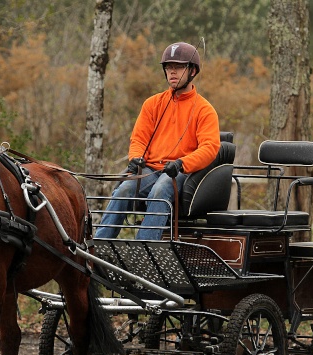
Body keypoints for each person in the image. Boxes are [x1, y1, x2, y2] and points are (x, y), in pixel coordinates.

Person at [94, 41, 220, 240]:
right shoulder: (152, 104)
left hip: (180, 172)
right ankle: (98, 246)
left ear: (193, 71)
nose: (172, 72)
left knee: (160, 190)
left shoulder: (205, 110)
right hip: (151, 169)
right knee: (124, 189)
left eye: (178, 67)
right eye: (169, 67)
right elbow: (138, 138)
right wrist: (135, 157)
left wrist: (181, 163)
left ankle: (144, 251)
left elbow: (210, 148)